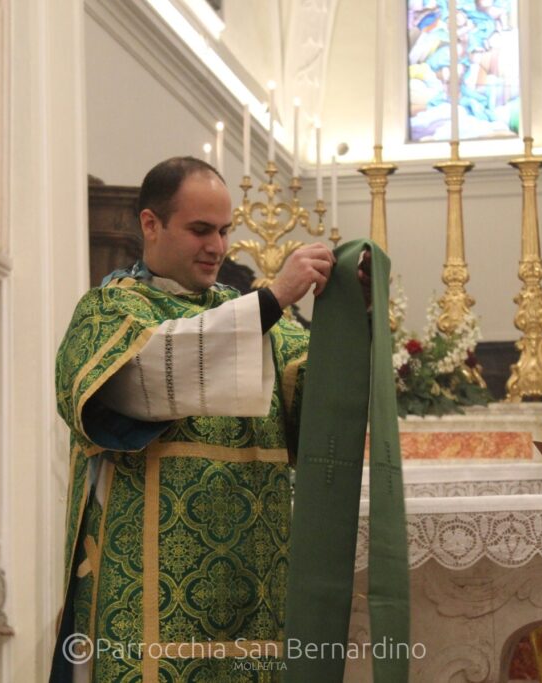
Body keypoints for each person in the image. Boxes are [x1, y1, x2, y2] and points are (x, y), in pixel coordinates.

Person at [52, 157, 335, 682]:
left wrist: (350, 311)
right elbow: (150, 375)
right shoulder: (108, 312)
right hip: (145, 603)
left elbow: (324, 395)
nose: (218, 247)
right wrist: (272, 300)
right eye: (201, 230)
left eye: (225, 230)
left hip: (255, 589)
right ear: (150, 224)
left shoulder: (257, 322)